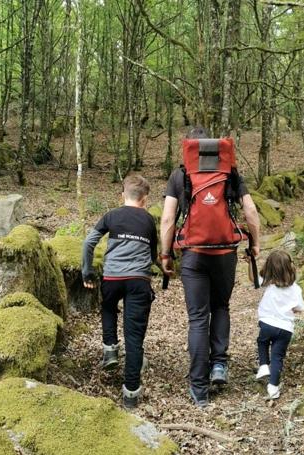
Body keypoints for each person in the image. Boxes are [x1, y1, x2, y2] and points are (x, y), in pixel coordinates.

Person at [160, 127, 260, 408]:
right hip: (225, 252)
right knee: (221, 307)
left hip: (193, 254)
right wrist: (255, 244)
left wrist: (165, 254)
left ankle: (199, 389)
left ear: (188, 147)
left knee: (197, 318)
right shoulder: (230, 172)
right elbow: (250, 211)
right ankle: (218, 365)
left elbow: (168, 219)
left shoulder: (180, 175)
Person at [82, 173, 157, 410]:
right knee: (134, 339)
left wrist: (87, 272)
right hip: (138, 280)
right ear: (145, 199)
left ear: (122, 195)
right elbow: (153, 253)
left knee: (108, 306)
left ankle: (110, 350)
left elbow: (88, 243)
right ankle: (131, 395)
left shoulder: (111, 215)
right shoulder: (148, 221)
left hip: (112, 277)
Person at [247, 250, 304, 399]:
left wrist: (250, 263)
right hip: (285, 329)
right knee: (277, 357)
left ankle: (264, 366)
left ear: (269, 269)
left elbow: (253, 278)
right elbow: (300, 308)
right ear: (290, 268)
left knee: (262, 342)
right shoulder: (296, 289)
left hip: (267, 324)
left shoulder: (268, 284)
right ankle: (273, 388)